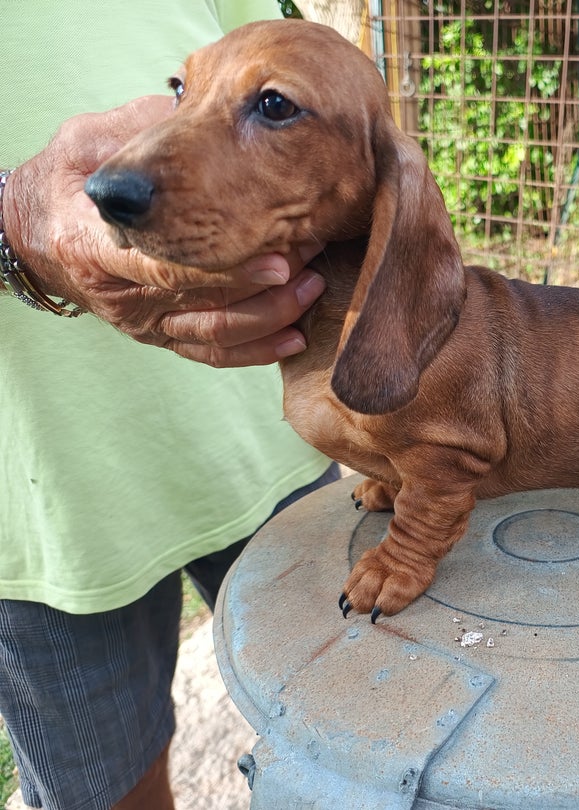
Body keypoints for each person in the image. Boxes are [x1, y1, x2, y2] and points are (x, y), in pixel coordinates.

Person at [0, 2, 338, 807]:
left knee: (353, 735)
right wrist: (9, 220)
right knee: (111, 796)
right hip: (42, 494)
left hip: (270, 439)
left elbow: (292, 80)